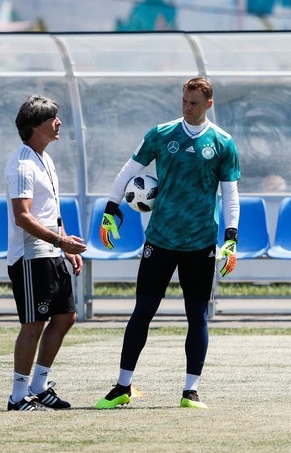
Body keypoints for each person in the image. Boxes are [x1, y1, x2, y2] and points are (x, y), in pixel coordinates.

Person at [95, 76, 240, 412]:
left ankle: (191, 391)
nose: (187, 107)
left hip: (200, 242)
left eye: (194, 103)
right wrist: (110, 209)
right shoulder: (161, 134)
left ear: (209, 104)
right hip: (160, 239)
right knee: (143, 311)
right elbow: (127, 171)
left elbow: (230, 194)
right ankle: (122, 386)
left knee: (197, 316)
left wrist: (231, 238)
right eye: (184, 101)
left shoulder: (223, 142)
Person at [4, 95, 87, 411]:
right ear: (36, 126)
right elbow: (23, 217)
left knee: (66, 317)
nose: (59, 122)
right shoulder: (22, 165)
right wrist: (60, 243)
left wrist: (64, 244)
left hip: (51, 252)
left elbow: (51, 210)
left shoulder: (44, 159)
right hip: (31, 257)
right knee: (34, 324)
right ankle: (17, 396)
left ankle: (38, 387)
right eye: (53, 118)